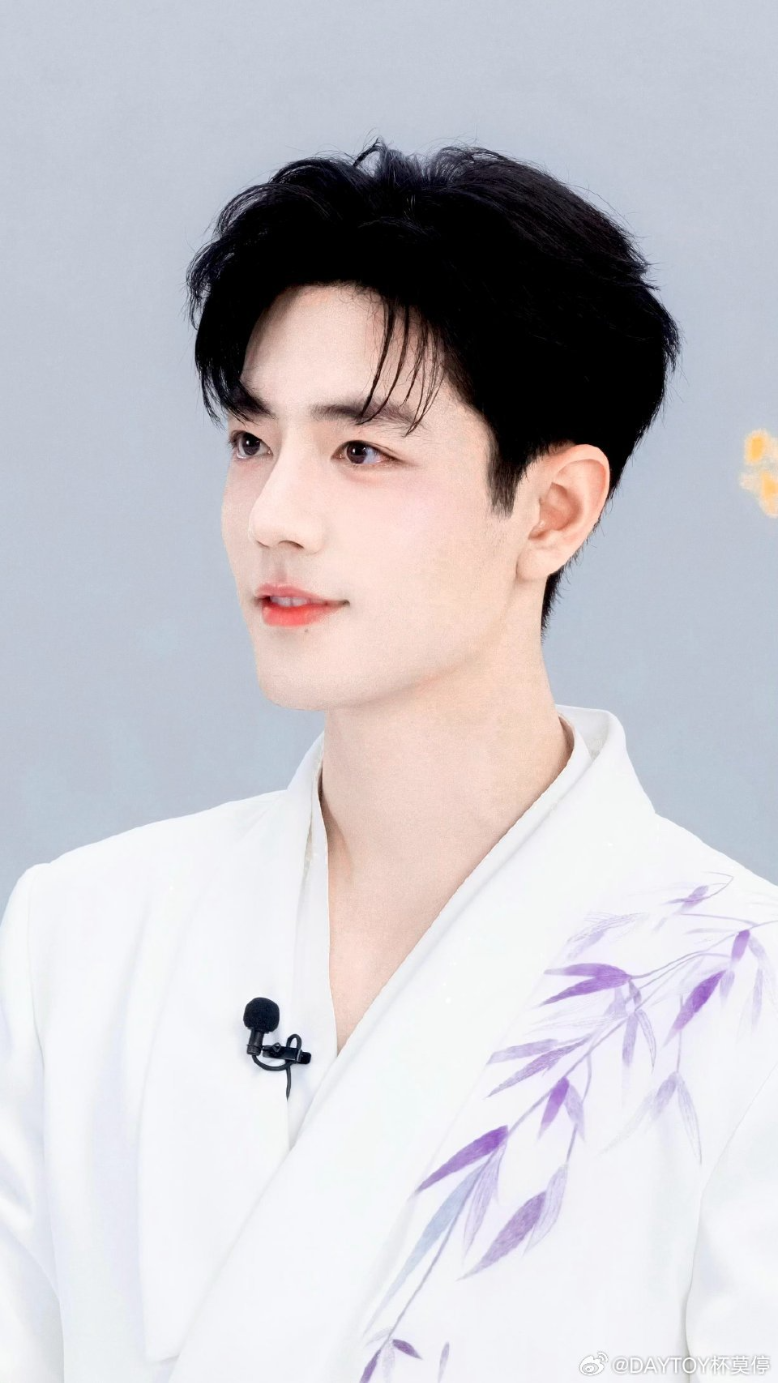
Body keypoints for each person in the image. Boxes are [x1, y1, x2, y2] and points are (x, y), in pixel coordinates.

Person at [1, 138, 776, 1383]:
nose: (275, 516)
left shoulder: (745, 999)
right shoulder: (81, 941)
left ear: (553, 510)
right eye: (251, 441)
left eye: (362, 452)